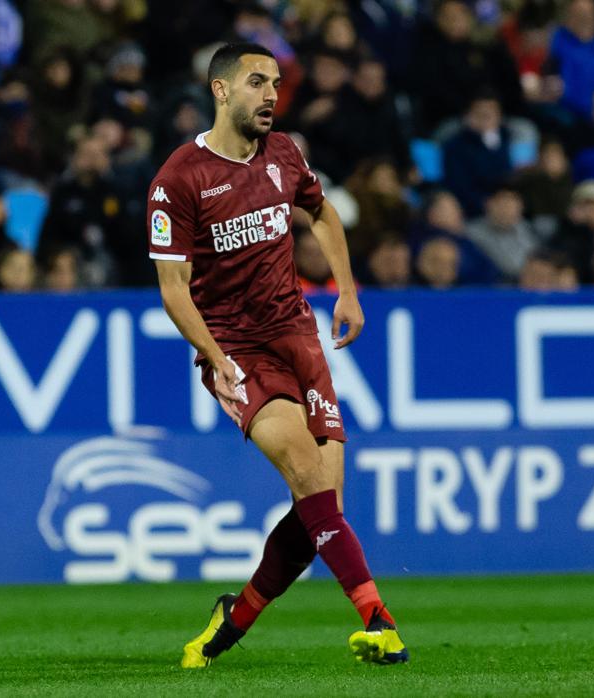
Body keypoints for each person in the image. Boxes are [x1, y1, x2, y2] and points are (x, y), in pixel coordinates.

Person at [147, 43, 407, 670]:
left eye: (276, 83)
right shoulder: (178, 178)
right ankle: (378, 618)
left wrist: (347, 290)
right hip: (236, 347)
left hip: (298, 336)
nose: (269, 94)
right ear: (220, 90)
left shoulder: (285, 153)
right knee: (307, 475)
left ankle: (231, 623)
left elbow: (322, 214)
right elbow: (173, 292)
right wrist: (215, 358)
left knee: (322, 505)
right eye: (256, 82)